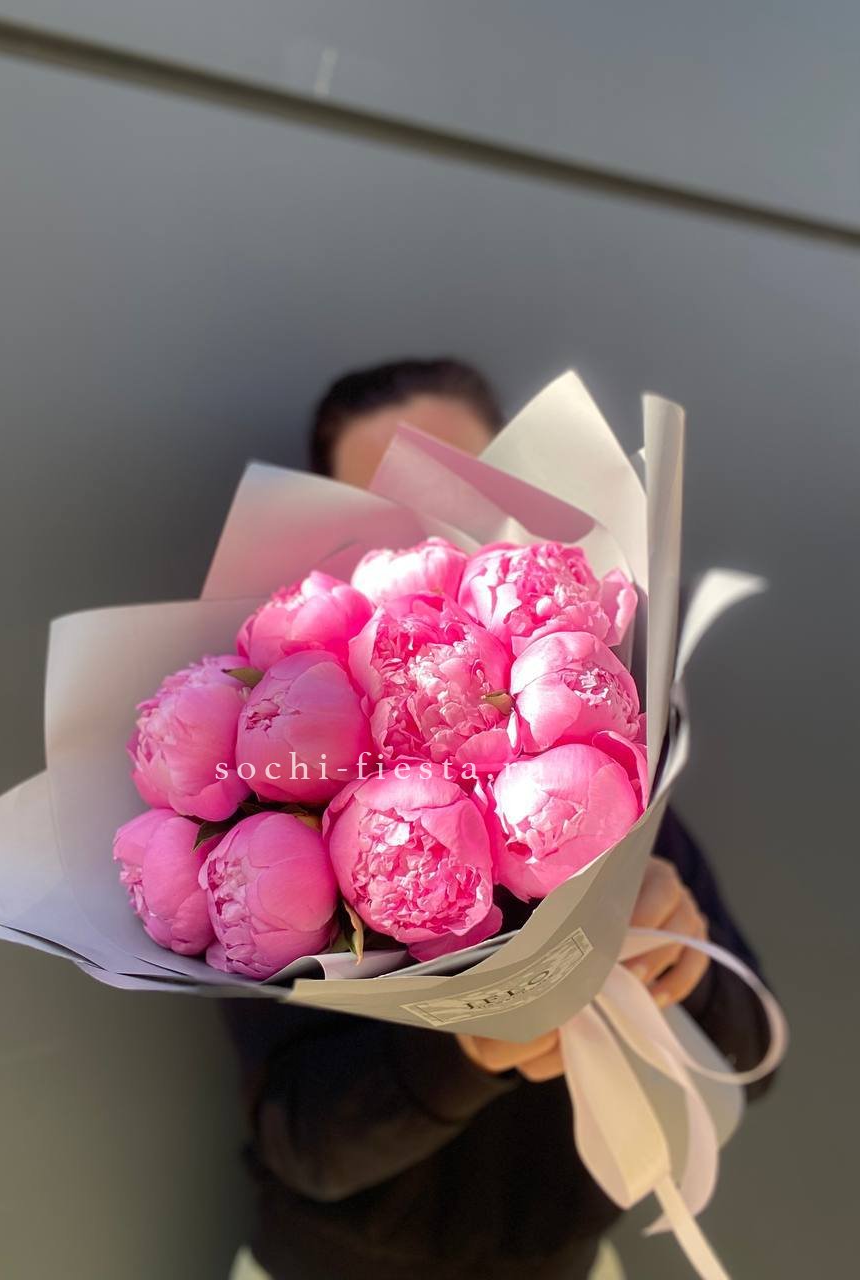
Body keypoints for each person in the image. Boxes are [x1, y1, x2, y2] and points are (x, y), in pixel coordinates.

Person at [222, 358, 776, 1280]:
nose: (429, 544)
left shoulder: (601, 764)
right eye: (385, 519)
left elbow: (749, 1057)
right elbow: (303, 1144)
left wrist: (682, 956)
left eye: (461, 499)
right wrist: (467, 1051)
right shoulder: (275, 796)